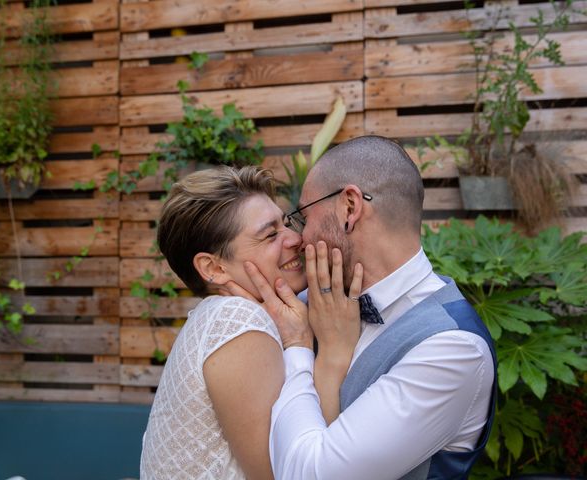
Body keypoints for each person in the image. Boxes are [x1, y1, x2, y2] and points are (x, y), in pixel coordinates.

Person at [235, 135, 497, 479]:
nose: (299, 238)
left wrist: (300, 348)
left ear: (349, 208)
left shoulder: (454, 349)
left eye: (303, 217)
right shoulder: (307, 303)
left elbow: (311, 475)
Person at [139, 165, 361, 479]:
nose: (296, 238)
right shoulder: (236, 321)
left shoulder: (223, 315)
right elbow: (286, 473)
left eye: (286, 224)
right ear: (213, 268)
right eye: (270, 235)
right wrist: (327, 349)